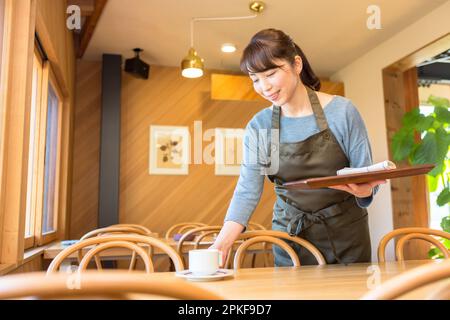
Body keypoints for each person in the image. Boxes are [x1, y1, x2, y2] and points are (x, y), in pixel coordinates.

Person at [210, 28, 386, 266]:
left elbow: (366, 175)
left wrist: (366, 191)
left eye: (270, 74)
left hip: (347, 235)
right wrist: (221, 243)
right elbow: (247, 191)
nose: (264, 87)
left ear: (296, 64)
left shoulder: (342, 112)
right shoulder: (259, 126)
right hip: (289, 237)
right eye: (255, 80)